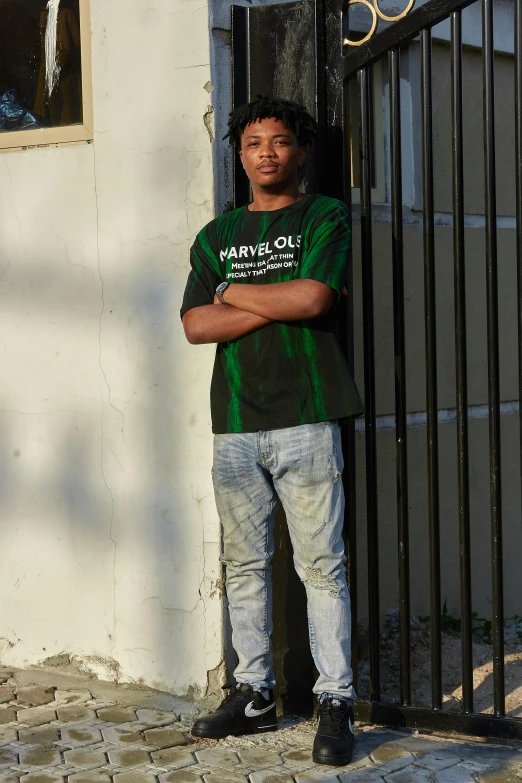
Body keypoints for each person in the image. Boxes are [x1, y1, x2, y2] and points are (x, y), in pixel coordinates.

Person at [180, 95, 364, 767]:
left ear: (299, 150)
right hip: (235, 422)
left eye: (280, 141)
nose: (267, 152)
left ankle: (336, 699)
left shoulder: (324, 215)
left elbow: (315, 298)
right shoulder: (216, 235)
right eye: (254, 141)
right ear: (240, 153)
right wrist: (274, 298)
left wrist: (231, 294)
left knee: (323, 566)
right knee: (245, 566)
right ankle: (254, 693)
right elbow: (195, 325)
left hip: (308, 418)